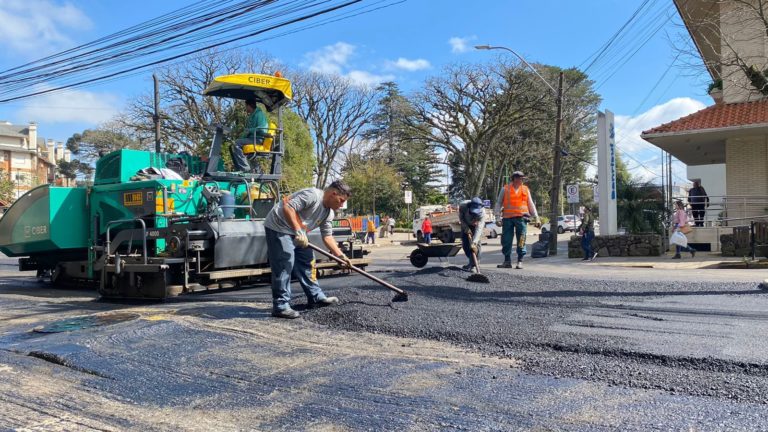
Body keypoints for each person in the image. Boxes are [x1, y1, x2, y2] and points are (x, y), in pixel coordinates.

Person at [264, 180, 352, 319]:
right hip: (278, 227)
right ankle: (280, 306)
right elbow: (288, 207)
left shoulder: (328, 213)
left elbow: (327, 237)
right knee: (285, 262)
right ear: (333, 193)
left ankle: (316, 297)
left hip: (298, 232)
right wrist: (298, 230)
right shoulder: (313, 195)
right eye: (341, 201)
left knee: (307, 260)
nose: (341, 205)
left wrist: (340, 256)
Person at [493, 171, 540, 269]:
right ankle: (507, 261)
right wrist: (497, 217)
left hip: (522, 218)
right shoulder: (505, 189)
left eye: (523, 178)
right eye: (520, 178)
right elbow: (498, 203)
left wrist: (536, 217)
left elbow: (530, 203)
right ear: (514, 178)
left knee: (522, 239)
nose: (522, 180)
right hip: (507, 219)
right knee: (506, 240)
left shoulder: (525, 189)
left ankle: (520, 261)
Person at [231, 98, 269, 172]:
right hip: (251, 139)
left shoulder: (259, 114)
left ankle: (244, 168)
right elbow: (247, 131)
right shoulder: (251, 116)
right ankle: (257, 171)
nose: (245, 108)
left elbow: (262, 129)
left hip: (258, 139)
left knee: (237, 143)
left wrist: (249, 131)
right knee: (237, 143)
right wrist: (241, 137)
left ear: (249, 106)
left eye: (246, 106)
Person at [459, 197, 486, 271]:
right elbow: (461, 218)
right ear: (470, 206)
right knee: (465, 245)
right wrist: (466, 228)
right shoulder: (463, 206)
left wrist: (474, 242)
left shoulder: (482, 213)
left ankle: (474, 264)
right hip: (466, 224)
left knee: (476, 246)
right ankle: (472, 262)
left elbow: (479, 228)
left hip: (475, 226)